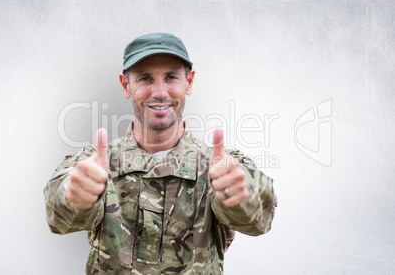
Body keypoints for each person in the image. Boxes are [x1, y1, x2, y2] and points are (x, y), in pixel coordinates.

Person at [44, 32, 277, 274]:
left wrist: (241, 196)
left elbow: (259, 219)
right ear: (126, 85)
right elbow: (59, 217)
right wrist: (76, 198)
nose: (159, 92)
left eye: (171, 77)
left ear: (189, 82)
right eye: (145, 78)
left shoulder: (221, 166)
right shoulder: (94, 165)